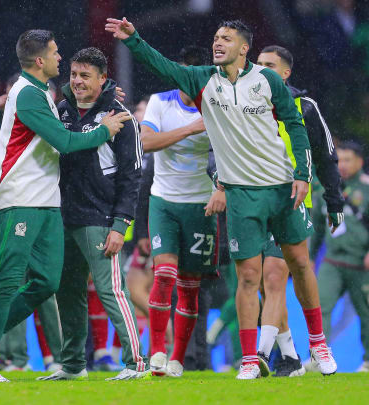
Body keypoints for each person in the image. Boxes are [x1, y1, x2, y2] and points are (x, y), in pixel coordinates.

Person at [106, 17, 338, 379]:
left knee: (299, 263)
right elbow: (162, 65)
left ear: (244, 48)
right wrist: (134, 40)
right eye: (216, 37)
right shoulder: (202, 79)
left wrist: (303, 175)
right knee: (249, 276)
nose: (218, 42)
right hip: (239, 192)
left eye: (226, 39)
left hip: (279, 187)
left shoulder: (267, 80)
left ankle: (319, 343)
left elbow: (294, 124)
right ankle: (249, 358)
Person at [0, 29, 131, 383]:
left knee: (47, 281)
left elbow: (78, 102)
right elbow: (65, 141)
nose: (62, 59)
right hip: (20, 199)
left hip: (48, 202)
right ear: (40, 60)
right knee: (10, 280)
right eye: (56, 54)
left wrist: (106, 92)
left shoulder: (43, 92)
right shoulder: (26, 95)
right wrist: (105, 129)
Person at [37, 46, 145, 381]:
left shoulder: (120, 116)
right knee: (67, 293)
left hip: (100, 219)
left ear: (102, 78)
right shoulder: (62, 109)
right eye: (74, 74)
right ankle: (73, 366)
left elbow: (133, 175)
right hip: (63, 216)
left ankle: (135, 363)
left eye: (86, 75)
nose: (78, 81)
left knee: (111, 291)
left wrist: (120, 224)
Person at [254, 45, 343, 377]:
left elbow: (326, 156)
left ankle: (268, 353)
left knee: (279, 274)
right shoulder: (243, 104)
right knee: (262, 282)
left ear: (286, 73)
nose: (261, 70)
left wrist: (334, 202)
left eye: (269, 65)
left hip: (292, 201)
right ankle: (290, 357)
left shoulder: (303, 107)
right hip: (251, 200)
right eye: (258, 64)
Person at [139, 45, 222, 377]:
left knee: (190, 287)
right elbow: (145, 143)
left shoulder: (217, 108)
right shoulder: (161, 101)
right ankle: (157, 352)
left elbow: (229, 156)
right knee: (163, 276)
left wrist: (221, 189)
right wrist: (190, 128)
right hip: (163, 202)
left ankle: (177, 359)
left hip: (201, 206)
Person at [312, 141, 369, 373]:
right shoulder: (326, 188)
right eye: (339, 160)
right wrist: (305, 259)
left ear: (360, 162)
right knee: (319, 308)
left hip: (361, 263)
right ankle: (318, 360)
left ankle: (368, 361)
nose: (342, 165)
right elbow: (315, 229)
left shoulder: (366, 189)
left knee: (366, 313)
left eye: (347, 160)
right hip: (332, 262)